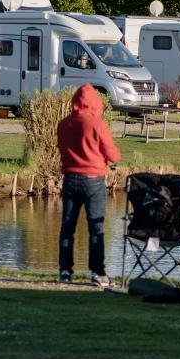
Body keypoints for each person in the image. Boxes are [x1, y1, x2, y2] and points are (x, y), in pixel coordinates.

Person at [56, 83, 121, 287]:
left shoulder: (64, 124)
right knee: (96, 227)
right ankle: (98, 273)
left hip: (70, 178)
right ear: (95, 103)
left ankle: (65, 271)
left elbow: (62, 148)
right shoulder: (96, 124)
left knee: (68, 227)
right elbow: (113, 155)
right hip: (93, 180)